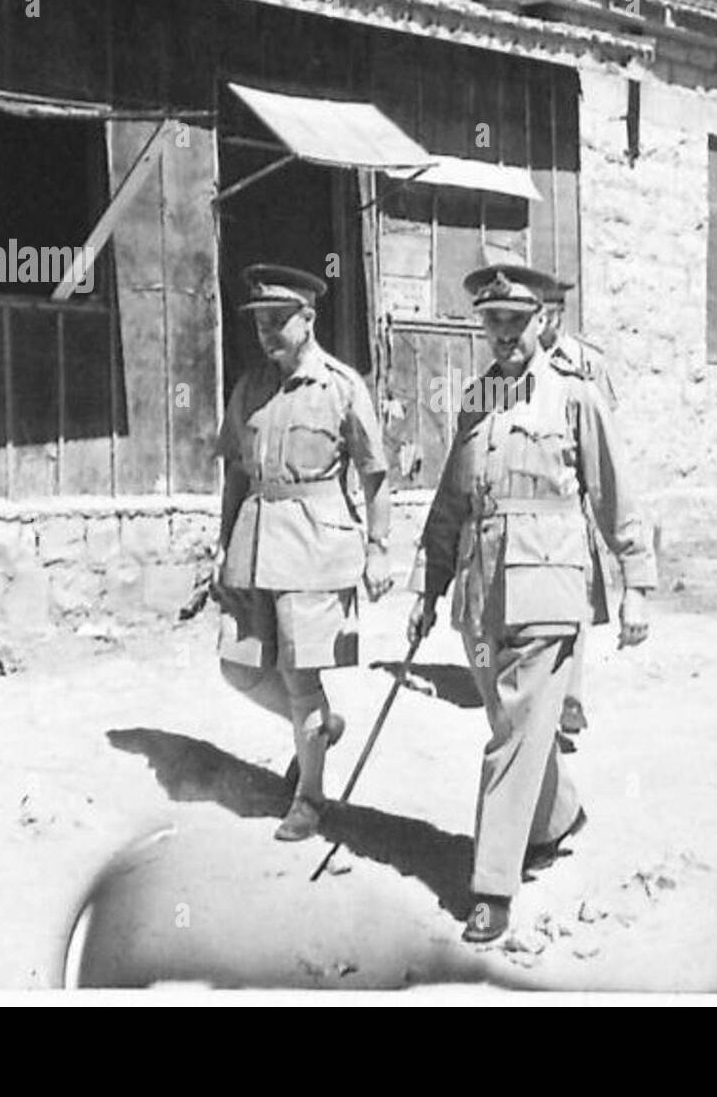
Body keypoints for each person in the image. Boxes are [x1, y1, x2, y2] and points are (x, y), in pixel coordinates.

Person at [406, 264, 656, 943]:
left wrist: (637, 581)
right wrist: (427, 587)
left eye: (518, 320)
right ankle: (557, 814)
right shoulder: (474, 401)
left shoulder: (574, 399)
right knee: (517, 725)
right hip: (481, 592)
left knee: (512, 733)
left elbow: (614, 495)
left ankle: (492, 884)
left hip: (548, 587)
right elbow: (451, 502)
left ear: (543, 321)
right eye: (493, 321)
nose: (506, 334)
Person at [214, 263, 393, 843]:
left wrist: (380, 548)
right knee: (238, 668)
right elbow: (236, 475)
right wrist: (222, 546)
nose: (266, 332)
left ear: (308, 318)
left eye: (278, 319)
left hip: (316, 545)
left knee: (298, 675)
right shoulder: (250, 387)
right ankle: (317, 726)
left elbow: (375, 474)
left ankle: (310, 796)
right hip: (254, 540)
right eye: (259, 321)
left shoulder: (341, 386)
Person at [539, 277, 618, 738]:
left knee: (576, 603)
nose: (540, 323)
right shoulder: (511, 362)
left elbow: (602, 434)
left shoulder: (588, 363)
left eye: (547, 315)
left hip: (574, 501)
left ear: (559, 314)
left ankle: (571, 697)